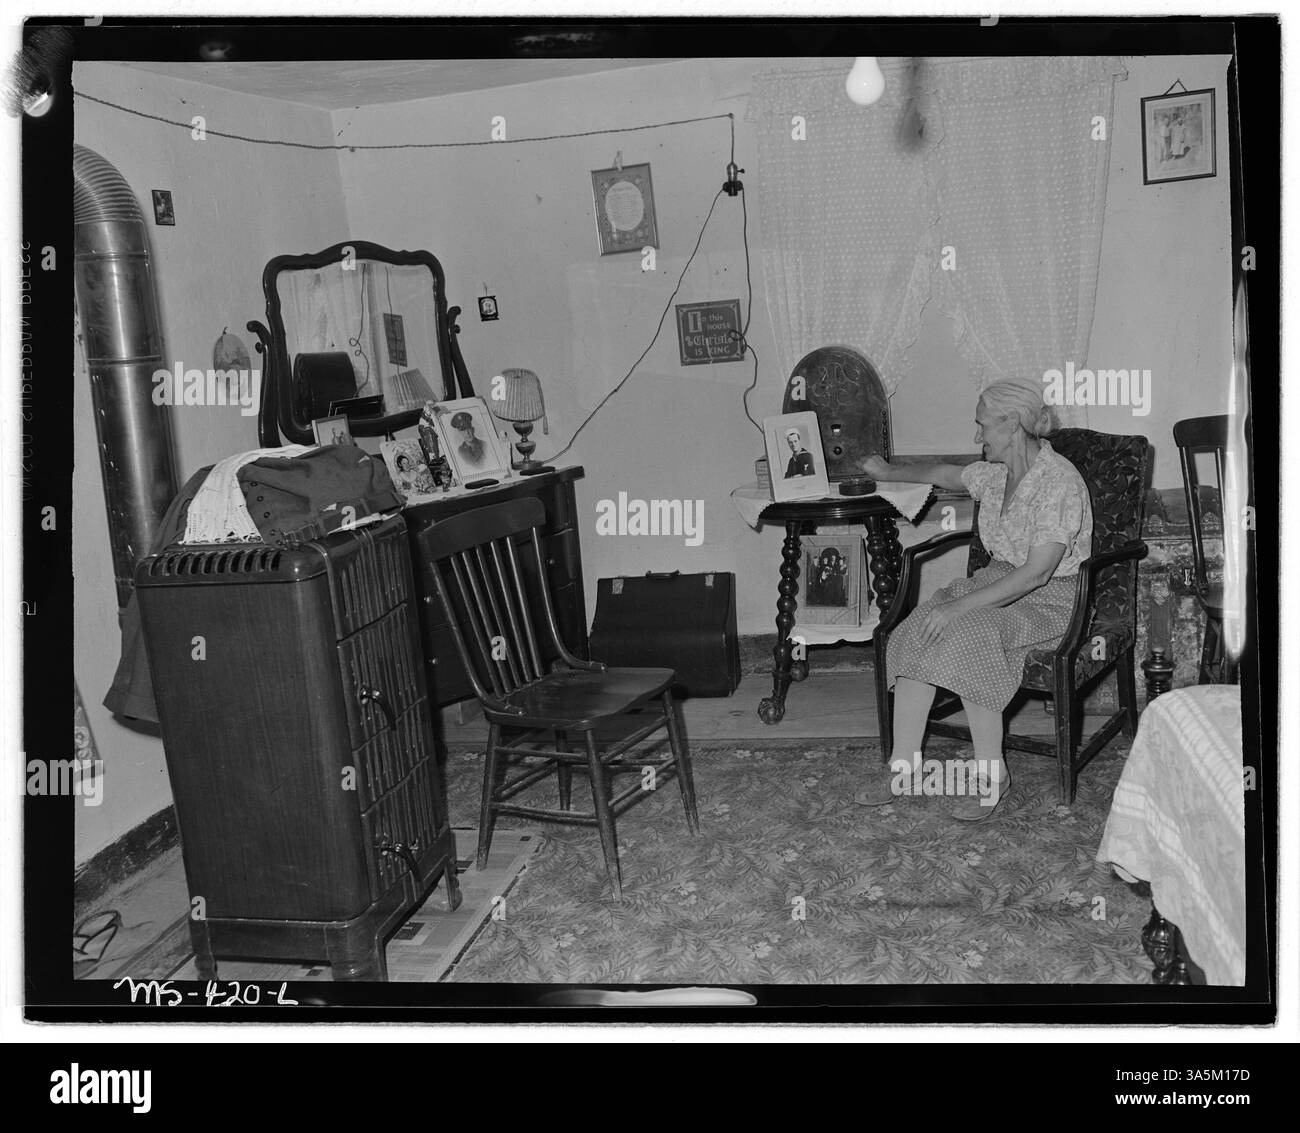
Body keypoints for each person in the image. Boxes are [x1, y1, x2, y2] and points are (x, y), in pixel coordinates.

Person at [855, 380, 1093, 820]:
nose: (976, 437)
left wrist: (960, 607)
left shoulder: (1059, 482)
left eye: (982, 426)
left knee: (970, 632)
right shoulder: (997, 473)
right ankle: (903, 766)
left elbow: (1037, 572)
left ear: (1012, 424)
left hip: (1052, 598)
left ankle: (992, 773)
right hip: (998, 580)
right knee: (918, 628)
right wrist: (887, 472)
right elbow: (945, 474)